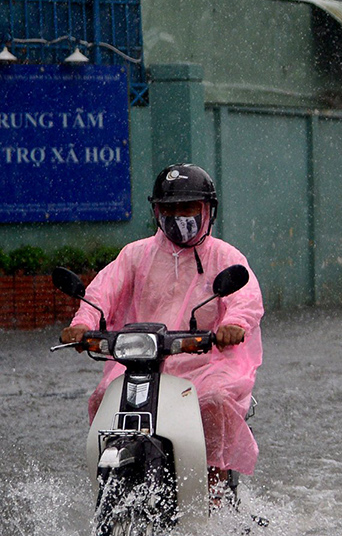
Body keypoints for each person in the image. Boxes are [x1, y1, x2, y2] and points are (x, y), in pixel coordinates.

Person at [61, 163, 265, 500]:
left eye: (187, 208)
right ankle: (108, 487)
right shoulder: (136, 255)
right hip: (142, 360)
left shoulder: (225, 256)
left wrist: (234, 325)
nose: (178, 216)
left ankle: (213, 486)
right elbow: (102, 293)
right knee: (101, 398)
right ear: (157, 211)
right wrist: (83, 323)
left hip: (207, 362)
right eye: (169, 208)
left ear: (207, 211)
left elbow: (246, 299)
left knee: (214, 400)